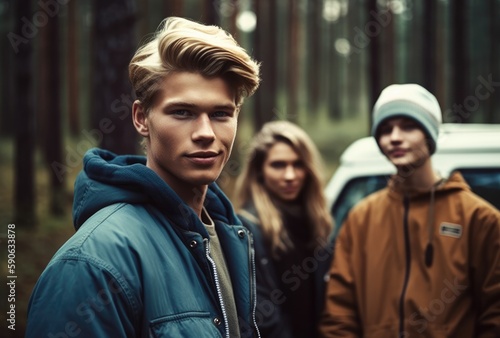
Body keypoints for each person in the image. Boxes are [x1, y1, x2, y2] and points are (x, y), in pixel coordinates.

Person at [26, 17, 261, 338]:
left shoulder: (230, 235)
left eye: (221, 114)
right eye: (183, 112)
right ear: (141, 119)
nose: (206, 133)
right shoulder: (92, 263)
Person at [319, 83, 500, 337]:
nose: (394, 137)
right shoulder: (361, 218)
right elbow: (340, 312)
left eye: (408, 126)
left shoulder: (479, 218)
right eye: (385, 129)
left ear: (430, 135)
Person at [235, 120, 334, 338]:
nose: (290, 176)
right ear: (260, 171)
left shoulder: (319, 223)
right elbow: (260, 314)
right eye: (278, 165)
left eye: (298, 164)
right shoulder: (247, 229)